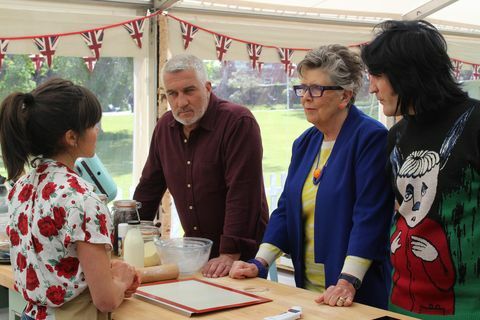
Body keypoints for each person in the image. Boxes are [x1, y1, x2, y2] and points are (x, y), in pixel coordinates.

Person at [229, 44, 394, 309]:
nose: (305, 97)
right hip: (309, 293)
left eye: (316, 89)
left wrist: (348, 281)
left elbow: (370, 216)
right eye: (302, 88)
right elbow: (285, 210)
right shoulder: (304, 143)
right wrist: (259, 262)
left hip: (354, 293)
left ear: (344, 96)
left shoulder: (370, 138)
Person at [362, 20, 480, 319]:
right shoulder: (396, 136)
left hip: (467, 307)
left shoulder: (476, 123)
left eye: (377, 75)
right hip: (402, 302)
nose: (372, 86)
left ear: (407, 73)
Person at [0, 78, 140, 320]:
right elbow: (105, 300)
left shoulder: (20, 187)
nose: (98, 131)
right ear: (71, 137)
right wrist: (121, 278)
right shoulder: (84, 199)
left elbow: (57, 262)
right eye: (93, 125)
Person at [133, 54, 269, 278]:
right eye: (172, 94)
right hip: (195, 252)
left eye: (189, 91)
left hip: (243, 255)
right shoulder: (164, 127)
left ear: (207, 87)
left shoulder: (238, 122)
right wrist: (129, 234)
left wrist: (229, 252)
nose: (181, 102)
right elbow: (149, 188)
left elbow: (243, 192)